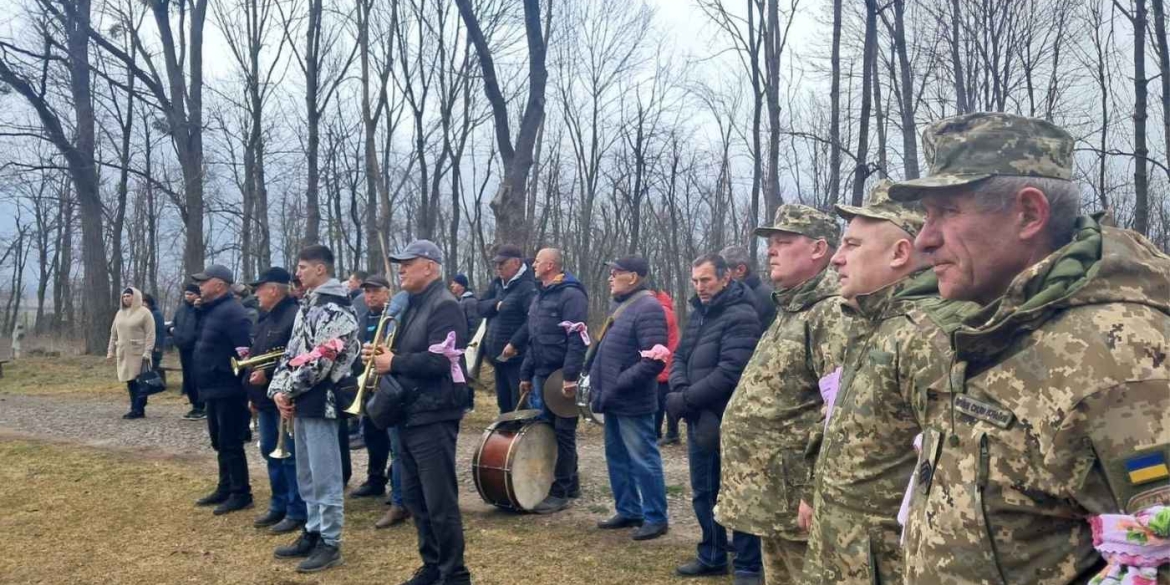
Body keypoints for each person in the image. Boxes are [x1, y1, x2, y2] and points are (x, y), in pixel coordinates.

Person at [889, 113, 1170, 583]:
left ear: (1029, 214)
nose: (924, 239)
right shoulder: (1000, 330)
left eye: (947, 212)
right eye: (926, 215)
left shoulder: (1115, 358)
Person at [801, 182, 974, 584]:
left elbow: (952, 477)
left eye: (852, 245)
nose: (836, 259)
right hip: (843, 552)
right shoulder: (871, 323)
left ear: (899, 253)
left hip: (885, 563)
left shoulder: (924, 336)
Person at [715, 205, 848, 585]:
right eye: (770, 243)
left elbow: (838, 408)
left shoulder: (830, 313)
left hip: (796, 501)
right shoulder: (793, 307)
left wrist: (812, 490)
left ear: (818, 248)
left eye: (784, 242)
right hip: (773, 496)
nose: (771, 250)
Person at [367, 239, 472, 585]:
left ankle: (454, 575)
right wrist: (381, 354)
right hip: (409, 413)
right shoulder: (412, 304)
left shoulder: (445, 306)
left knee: (439, 502)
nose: (400, 269)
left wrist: (394, 362)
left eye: (407, 263)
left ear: (429, 266)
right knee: (416, 499)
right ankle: (432, 567)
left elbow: (442, 361)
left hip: (434, 415)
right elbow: (409, 352)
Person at [667, 253, 763, 584]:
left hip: (730, 419)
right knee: (703, 491)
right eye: (695, 280)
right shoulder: (699, 314)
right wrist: (680, 390)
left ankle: (749, 564)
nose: (700, 286)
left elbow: (731, 371)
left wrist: (686, 399)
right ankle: (712, 555)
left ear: (725, 278)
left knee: (739, 491)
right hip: (699, 416)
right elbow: (680, 356)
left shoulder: (742, 315)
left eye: (705, 279)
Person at [268, 245, 360, 574]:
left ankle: (330, 542)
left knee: (325, 475)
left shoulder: (336, 308)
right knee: (306, 473)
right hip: (303, 399)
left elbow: (322, 361)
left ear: (321, 269)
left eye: (303, 267)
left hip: (324, 401)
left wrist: (289, 388)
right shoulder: (309, 305)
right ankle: (313, 529)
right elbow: (290, 352)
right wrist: (278, 390)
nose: (297, 273)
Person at [590, 255, 671, 541]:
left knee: (643, 458)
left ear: (633, 277)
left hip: (633, 400)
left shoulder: (649, 308)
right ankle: (628, 510)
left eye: (615, 273)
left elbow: (654, 361)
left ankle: (656, 517)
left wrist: (617, 384)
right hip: (613, 398)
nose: (610, 278)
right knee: (617, 457)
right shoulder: (620, 306)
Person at [517, 248, 589, 514]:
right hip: (541, 374)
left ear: (550, 265)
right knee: (550, 430)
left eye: (537, 261)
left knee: (564, 432)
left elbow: (577, 339)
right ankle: (572, 482)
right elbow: (533, 339)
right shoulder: (540, 295)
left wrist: (570, 377)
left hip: (561, 376)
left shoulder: (572, 295)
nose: (533, 265)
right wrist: (526, 374)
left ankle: (560, 492)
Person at [244, 267, 308, 536]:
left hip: (285, 399)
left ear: (273, 289)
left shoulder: (294, 316)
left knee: (290, 457)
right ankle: (278, 503)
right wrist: (253, 396)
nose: (256, 294)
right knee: (271, 451)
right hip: (265, 399)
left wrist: (268, 374)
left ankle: (296, 510)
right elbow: (260, 353)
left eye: (259, 288)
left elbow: (297, 358)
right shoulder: (265, 317)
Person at [190, 265, 255, 515]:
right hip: (212, 387)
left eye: (204, 282)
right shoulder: (211, 310)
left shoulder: (234, 313)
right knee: (219, 441)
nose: (200, 286)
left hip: (229, 388)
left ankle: (241, 493)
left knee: (231, 442)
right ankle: (225, 486)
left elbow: (245, 353)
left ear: (219, 285)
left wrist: (245, 387)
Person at [477, 244, 536, 414]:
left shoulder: (527, 288)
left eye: (502, 263)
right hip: (498, 358)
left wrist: (514, 343)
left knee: (518, 404)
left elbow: (532, 320)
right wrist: (496, 304)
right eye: (497, 264)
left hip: (517, 358)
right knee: (503, 403)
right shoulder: (497, 284)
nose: (498, 267)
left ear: (516, 263)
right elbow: (479, 306)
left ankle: (519, 431)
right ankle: (505, 430)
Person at [106, 287, 156, 419]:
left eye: (128, 296)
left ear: (136, 297)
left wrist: (148, 351)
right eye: (124, 296)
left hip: (139, 353)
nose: (126, 298)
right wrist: (110, 351)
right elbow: (113, 333)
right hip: (124, 352)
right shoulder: (120, 313)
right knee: (130, 381)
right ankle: (135, 407)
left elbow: (150, 334)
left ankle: (138, 408)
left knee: (140, 381)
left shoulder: (144, 313)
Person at [652, 284, 681, 445]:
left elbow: (657, 338)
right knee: (664, 400)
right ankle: (669, 432)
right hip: (667, 363)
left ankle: (664, 433)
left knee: (661, 401)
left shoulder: (661, 312)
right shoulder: (665, 309)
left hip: (664, 364)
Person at [720, 245, 776, 329]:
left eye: (723, 273)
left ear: (740, 270)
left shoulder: (765, 298)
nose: (719, 278)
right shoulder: (731, 295)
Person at [172, 284, 205, 420]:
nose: (188, 296)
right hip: (183, 347)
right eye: (186, 294)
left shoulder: (201, 308)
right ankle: (194, 404)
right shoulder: (181, 309)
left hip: (197, 348)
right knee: (188, 378)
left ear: (197, 295)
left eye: (191, 294)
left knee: (196, 377)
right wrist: (173, 331)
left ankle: (201, 405)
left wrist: (198, 308)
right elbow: (174, 324)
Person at [142, 293, 167, 386]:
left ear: (148, 303)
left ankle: (155, 386)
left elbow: (160, 331)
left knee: (152, 368)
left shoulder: (156, 314)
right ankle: (146, 385)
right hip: (145, 346)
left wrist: (158, 346)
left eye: (144, 302)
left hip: (155, 347)